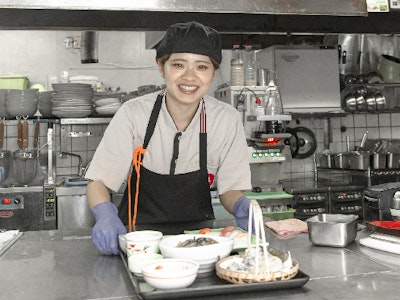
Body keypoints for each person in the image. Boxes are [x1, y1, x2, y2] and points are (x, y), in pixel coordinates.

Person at [85, 21, 253, 255]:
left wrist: (241, 205)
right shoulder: (134, 114)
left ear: (213, 73)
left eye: (202, 67)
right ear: (161, 67)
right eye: (178, 65)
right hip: (138, 243)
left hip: (200, 245)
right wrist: (104, 214)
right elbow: (99, 181)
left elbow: (230, 189)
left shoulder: (227, 120)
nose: (189, 77)